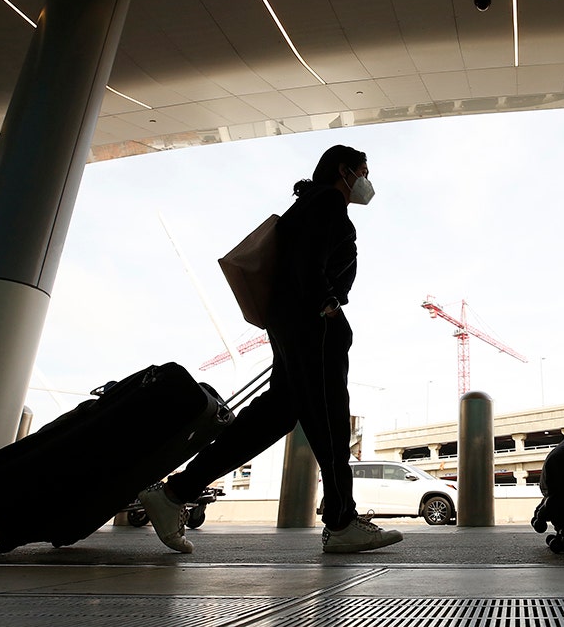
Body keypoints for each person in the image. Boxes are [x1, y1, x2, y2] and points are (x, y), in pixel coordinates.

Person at [137, 145, 402, 555]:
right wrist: (328, 307)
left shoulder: (311, 203)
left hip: (292, 324)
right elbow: (307, 264)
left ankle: (176, 492)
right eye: (364, 172)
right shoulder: (327, 200)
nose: (367, 182)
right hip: (312, 326)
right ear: (344, 171)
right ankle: (342, 521)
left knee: (274, 415)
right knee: (330, 418)